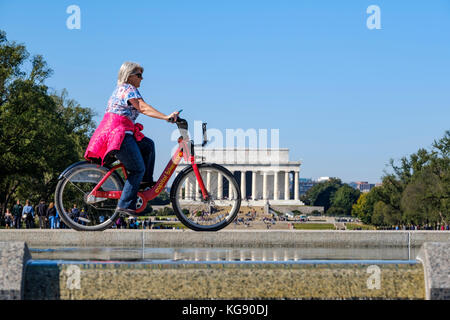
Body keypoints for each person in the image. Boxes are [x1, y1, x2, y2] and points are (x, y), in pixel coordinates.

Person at [84, 61, 179, 216]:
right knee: (137, 168)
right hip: (118, 134)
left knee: (147, 145)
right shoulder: (128, 89)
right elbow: (143, 107)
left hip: (120, 131)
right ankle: (125, 204)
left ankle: (142, 184)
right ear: (129, 76)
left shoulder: (122, 89)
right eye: (139, 75)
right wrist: (165, 117)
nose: (142, 79)